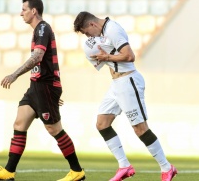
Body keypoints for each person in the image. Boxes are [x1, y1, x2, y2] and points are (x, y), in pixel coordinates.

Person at [0, 0, 86, 181]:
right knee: (19, 124)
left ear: (34, 11)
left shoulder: (42, 28)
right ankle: (9, 171)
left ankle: (77, 171)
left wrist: (14, 75)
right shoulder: (38, 30)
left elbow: (37, 57)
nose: (21, 13)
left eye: (24, 9)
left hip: (45, 85)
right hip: (37, 86)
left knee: (54, 129)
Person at [73, 11, 177, 181]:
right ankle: (124, 166)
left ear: (92, 25)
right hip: (116, 84)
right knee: (102, 123)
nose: (88, 37)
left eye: (86, 32)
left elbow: (130, 56)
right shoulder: (104, 33)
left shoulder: (112, 29)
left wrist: (106, 56)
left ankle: (167, 168)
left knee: (140, 128)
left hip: (128, 81)